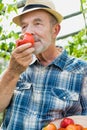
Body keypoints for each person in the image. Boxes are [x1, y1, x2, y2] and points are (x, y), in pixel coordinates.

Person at [0, 0, 87, 129]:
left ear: (55, 30)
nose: (28, 32)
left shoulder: (82, 71)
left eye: (37, 23)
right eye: (24, 26)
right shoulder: (17, 65)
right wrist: (12, 72)